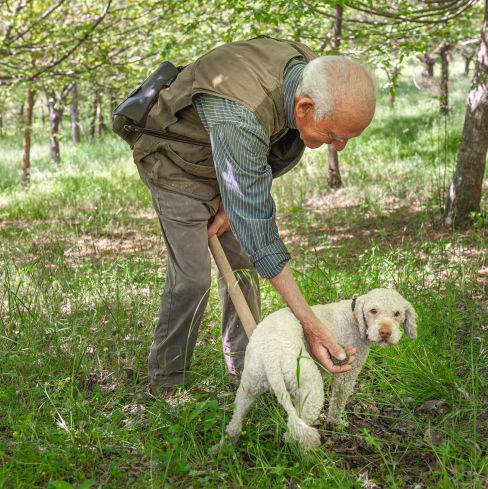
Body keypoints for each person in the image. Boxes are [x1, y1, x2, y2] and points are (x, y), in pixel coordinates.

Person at [129, 36, 377, 394]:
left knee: (242, 266)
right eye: (334, 135)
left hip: (229, 163)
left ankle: (244, 365)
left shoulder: (312, 74)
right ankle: (167, 382)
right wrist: (309, 322)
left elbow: (268, 162)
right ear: (304, 107)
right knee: (192, 281)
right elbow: (259, 232)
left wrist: (233, 201)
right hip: (174, 163)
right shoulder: (240, 111)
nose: (339, 147)